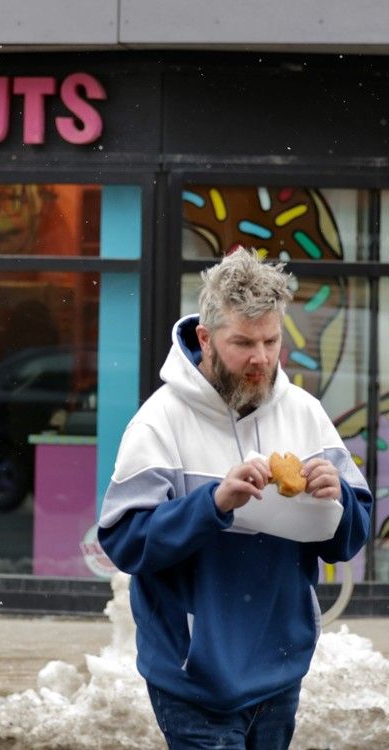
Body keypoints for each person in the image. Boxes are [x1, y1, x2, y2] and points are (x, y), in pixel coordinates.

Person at [97, 248, 372, 750]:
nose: (261, 359)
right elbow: (124, 542)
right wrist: (212, 504)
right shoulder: (159, 421)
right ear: (205, 337)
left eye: (271, 341)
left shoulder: (305, 412)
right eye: (243, 342)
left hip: (280, 672)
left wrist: (341, 503)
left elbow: (349, 537)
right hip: (194, 679)